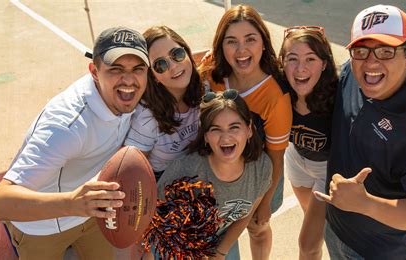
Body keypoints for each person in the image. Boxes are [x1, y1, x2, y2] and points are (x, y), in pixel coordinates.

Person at [0, 27, 149, 259]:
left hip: (92, 213)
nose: (128, 80)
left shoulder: (131, 93)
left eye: (138, 69)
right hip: (40, 227)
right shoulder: (66, 127)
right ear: (94, 71)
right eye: (115, 69)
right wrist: (74, 203)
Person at [314, 5, 406, 259]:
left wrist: (365, 203)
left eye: (385, 51)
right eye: (361, 50)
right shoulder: (351, 72)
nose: (370, 62)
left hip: (379, 250)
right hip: (336, 227)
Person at [199, 5, 292, 259]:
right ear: (221, 46)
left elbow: (276, 156)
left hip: (261, 175)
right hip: (223, 171)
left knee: (257, 227)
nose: (241, 50)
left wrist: (264, 200)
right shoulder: (215, 75)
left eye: (250, 39)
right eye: (232, 42)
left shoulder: (276, 95)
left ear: (263, 43)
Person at [156, 89, 272, 259]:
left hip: (218, 241)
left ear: (249, 130)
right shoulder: (185, 171)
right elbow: (154, 219)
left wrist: (219, 253)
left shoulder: (261, 168)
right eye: (216, 129)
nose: (226, 138)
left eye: (234, 127)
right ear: (205, 136)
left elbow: (245, 214)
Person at [278, 26, 338, 260]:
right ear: (282, 62)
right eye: (292, 59)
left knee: (308, 244)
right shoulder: (278, 88)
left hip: (327, 169)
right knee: (312, 224)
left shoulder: (340, 92)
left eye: (310, 59)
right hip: (295, 160)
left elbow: (384, 88)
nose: (301, 68)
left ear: (324, 63)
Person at [124, 25, 203, 181]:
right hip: (162, 182)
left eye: (177, 54)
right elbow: (131, 170)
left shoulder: (204, 88)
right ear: (153, 76)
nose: (173, 66)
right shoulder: (147, 118)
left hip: (198, 170)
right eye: (160, 65)